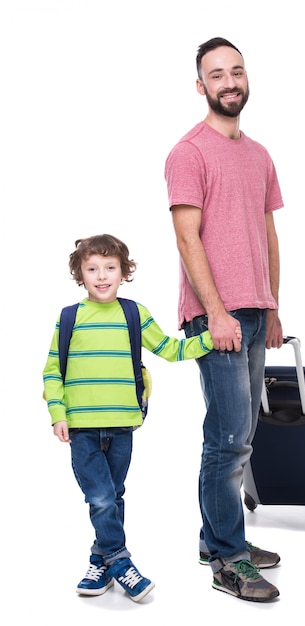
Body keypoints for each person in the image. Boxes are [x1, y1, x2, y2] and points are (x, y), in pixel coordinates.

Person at [165, 37, 285, 603]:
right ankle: (230, 560)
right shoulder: (188, 153)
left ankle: (215, 538)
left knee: (241, 435)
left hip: (256, 311)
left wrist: (273, 305)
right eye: (217, 75)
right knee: (229, 438)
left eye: (236, 71)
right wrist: (215, 312)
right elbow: (187, 238)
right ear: (201, 86)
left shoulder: (259, 154)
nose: (229, 82)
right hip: (214, 316)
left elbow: (267, 233)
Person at [42, 233, 221, 603]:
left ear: (124, 272)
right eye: (92, 268)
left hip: (123, 424)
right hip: (81, 428)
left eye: (110, 267)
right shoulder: (69, 317)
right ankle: (121, 563)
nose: (102, 275)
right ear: (80, 274)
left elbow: (170, 349)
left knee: (113, 495)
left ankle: (99, 559)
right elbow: (52, 372)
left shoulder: (133, 313)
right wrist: (57, 413)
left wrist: (208, 339)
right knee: (102, 497)